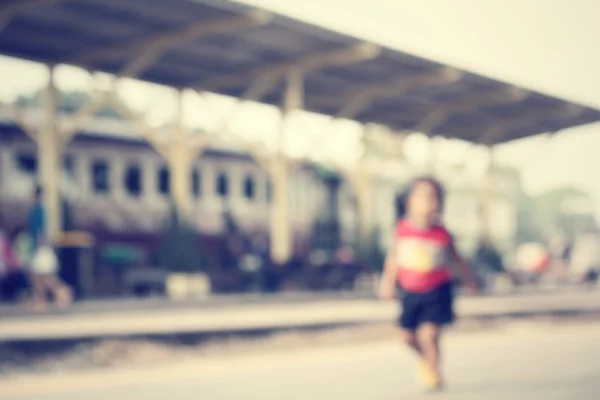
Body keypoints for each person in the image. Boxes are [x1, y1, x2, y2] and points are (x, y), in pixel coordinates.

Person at [379, 176, 479, 391]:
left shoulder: (442, 233)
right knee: (407, 337)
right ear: (409, 202)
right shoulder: (402, 230)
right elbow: (393, 259)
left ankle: (434, 374)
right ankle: (427, 361)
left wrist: (470, 282)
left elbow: (457, 259)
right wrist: (387, 282)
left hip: (437, 290)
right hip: (410, 291)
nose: (429, 202)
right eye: (423, 197)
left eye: (434, 198)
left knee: (429, 335)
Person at [27, 186, 72, 311]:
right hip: (37, 246)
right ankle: (42, 297)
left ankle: (59, 292)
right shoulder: (37, 209)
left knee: (42, 275)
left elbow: (41, 229)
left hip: (40, 246)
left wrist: (41, 244)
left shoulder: (39, 210)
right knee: (39, 275)